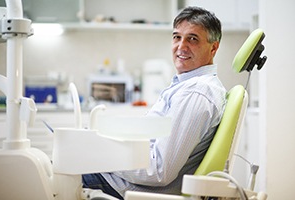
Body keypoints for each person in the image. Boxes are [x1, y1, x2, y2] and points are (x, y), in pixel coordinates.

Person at [82, 6, 227, 199]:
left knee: (50, 172)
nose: (181, 46)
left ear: (213, 47)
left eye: (192, 39)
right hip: (125, 180)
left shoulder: (196, 93)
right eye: (177, 37)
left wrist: (103, 155)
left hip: (127, 188)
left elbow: (159, 171)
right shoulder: (186, 85)